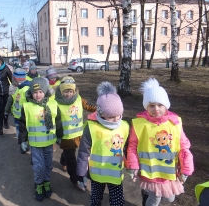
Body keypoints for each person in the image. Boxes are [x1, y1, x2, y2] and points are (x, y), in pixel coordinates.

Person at [126, 78, 194, 206]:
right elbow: (132, 146)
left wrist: (186, 169)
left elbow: (184, 147)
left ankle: (146, 193)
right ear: (147, 106)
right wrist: (133, 166)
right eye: (151, 105)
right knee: (154, 200)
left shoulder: (175, 123)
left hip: (169, 172)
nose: (156, 109)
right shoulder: (140, 124)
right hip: (150, 172)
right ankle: (147, 194)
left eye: (160, 105)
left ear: (166, 105)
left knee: (169, 198)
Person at [77, 81, 129, 206]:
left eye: (118, 115)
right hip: (97, 175)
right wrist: (81, 173)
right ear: (100, 114)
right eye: (111, 117)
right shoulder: (91, 128)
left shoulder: (124, 126)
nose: (116, 119)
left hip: (115, 175)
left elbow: (127, 148)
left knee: (117, 201)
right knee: (95, 199)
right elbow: (84, 152)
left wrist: (132, 165)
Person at [18, 77, 63, 201]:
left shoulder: (53, 105)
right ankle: (38, 184)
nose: (38, 95)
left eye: (40, 92)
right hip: (35, 144)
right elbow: (22, 125)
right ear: (31, 93)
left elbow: (58, 122)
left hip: (49, 142)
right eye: (35, 92)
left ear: (45, 92)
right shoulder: (27, 106)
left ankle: (46, 182)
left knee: (48, 165)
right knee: (39, 166)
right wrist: (22, 140)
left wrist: (59, 135)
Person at [4, 68, 30, 141]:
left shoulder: (26, 89)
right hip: (19, 115)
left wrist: (6, 111)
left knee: (21, 129)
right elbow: (10, 100)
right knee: (21, 128)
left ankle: (22, 141)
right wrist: (6, 111)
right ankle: (22, 142)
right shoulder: (26, 88)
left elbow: (9, 101)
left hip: (22, 115)